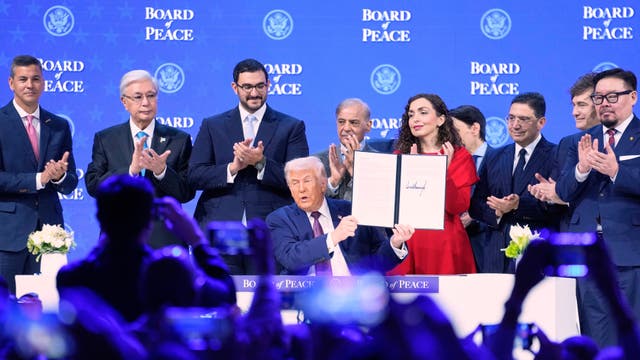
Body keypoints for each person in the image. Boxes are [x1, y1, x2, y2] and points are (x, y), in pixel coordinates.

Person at [57, 175, 235, 322]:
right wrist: (196, 239)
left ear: (99, 218)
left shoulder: (72, 277)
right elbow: (224, 297)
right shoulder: (167, 274)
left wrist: (108, 233)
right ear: (149, 221)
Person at [189, 58, 309, 274]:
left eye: (260, 86)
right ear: (235, 87)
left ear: (269, 85)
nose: (254, 93)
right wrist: (232, 168)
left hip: (269, 233)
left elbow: (300, 180)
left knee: (266, 302)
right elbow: (195, 175)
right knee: (220, 301)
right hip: (221, 232)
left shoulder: (291, 126)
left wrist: (261, 163)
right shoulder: (212, 125)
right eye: (247, 87)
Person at [555, 68, 640, 348]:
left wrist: (617, 172)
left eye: (612, 96)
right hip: (585, 251)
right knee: (592, 330)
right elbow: (564, 191)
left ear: (633, 97)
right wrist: (581, 169)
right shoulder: (577, 141)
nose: (604, 103)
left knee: (628, 331)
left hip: (629, 250)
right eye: (599, 97)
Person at [85, 70, 195, 249]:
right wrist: (130, 171)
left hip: (166, 239)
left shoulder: (179, 139)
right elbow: (93, 186)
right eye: (138, 97)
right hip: (118, 237)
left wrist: (162, 172)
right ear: (124, 102)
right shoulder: (106, 139)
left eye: (151, 95)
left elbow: (187, 192)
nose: (146, 103)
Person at [0, 55, 78, 294]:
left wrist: (58, 177)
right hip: (8, 235)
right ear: (11, 83)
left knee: (49, 308)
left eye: (35, 79)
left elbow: (70, 181)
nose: (29, 85)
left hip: (50, 235)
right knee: (6, 314)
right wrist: (39, 179)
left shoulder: (58, 125)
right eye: (23, 79)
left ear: (44, 83)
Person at [266, 156, 414, 275]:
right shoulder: (280, 219)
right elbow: (291, 258)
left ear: (323, 184)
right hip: (307, 301)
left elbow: (377, 261)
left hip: (355, 299)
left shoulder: (350, 211)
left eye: (307, 181)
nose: (301, 189)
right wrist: (334, 237)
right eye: (294, 183)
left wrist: (395, 242)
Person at [387, 94, 478, 275]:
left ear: (441, 119)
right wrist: (412, 170)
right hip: (408, 238)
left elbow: (457, 206)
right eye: (411, 114)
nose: (415, 119)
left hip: (445, 243)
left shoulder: (460, 157)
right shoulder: (400, 156)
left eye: (423, 112)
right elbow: (393, 207)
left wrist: (442, 171)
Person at [470, 92, 559, 273]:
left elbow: (558, 208)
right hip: (494, 258)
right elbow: (476, 206)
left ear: (541, 123)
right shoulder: (495, 156)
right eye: (511, 118)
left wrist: (517, 205)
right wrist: (497, 211)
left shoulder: (556, 155)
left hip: (536, 256)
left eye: (524, 119)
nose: (515, 125)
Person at [529, 73, 599, 213]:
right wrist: (548, 194)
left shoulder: (623, 140)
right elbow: (556, 194)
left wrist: (563, 196)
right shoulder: (566, 144)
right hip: (573, 231)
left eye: (582, 105)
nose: (574, 112)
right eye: (573, 105)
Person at [314, 98, 393, 201]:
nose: (346, 128)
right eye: (341, 122)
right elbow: (311, 204)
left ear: (368, 126)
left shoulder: (380, 162)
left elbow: (382, 201)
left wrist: (356, 172)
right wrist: (333, 182)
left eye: (354, 122)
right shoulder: (318, 161)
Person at [450, 104, 497, 273]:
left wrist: (475, 216)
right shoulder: (449, 161)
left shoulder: (500, 159)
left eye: (456, 131)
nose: (451, 137)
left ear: (475, 128)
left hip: (487, 244)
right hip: (454, 246)